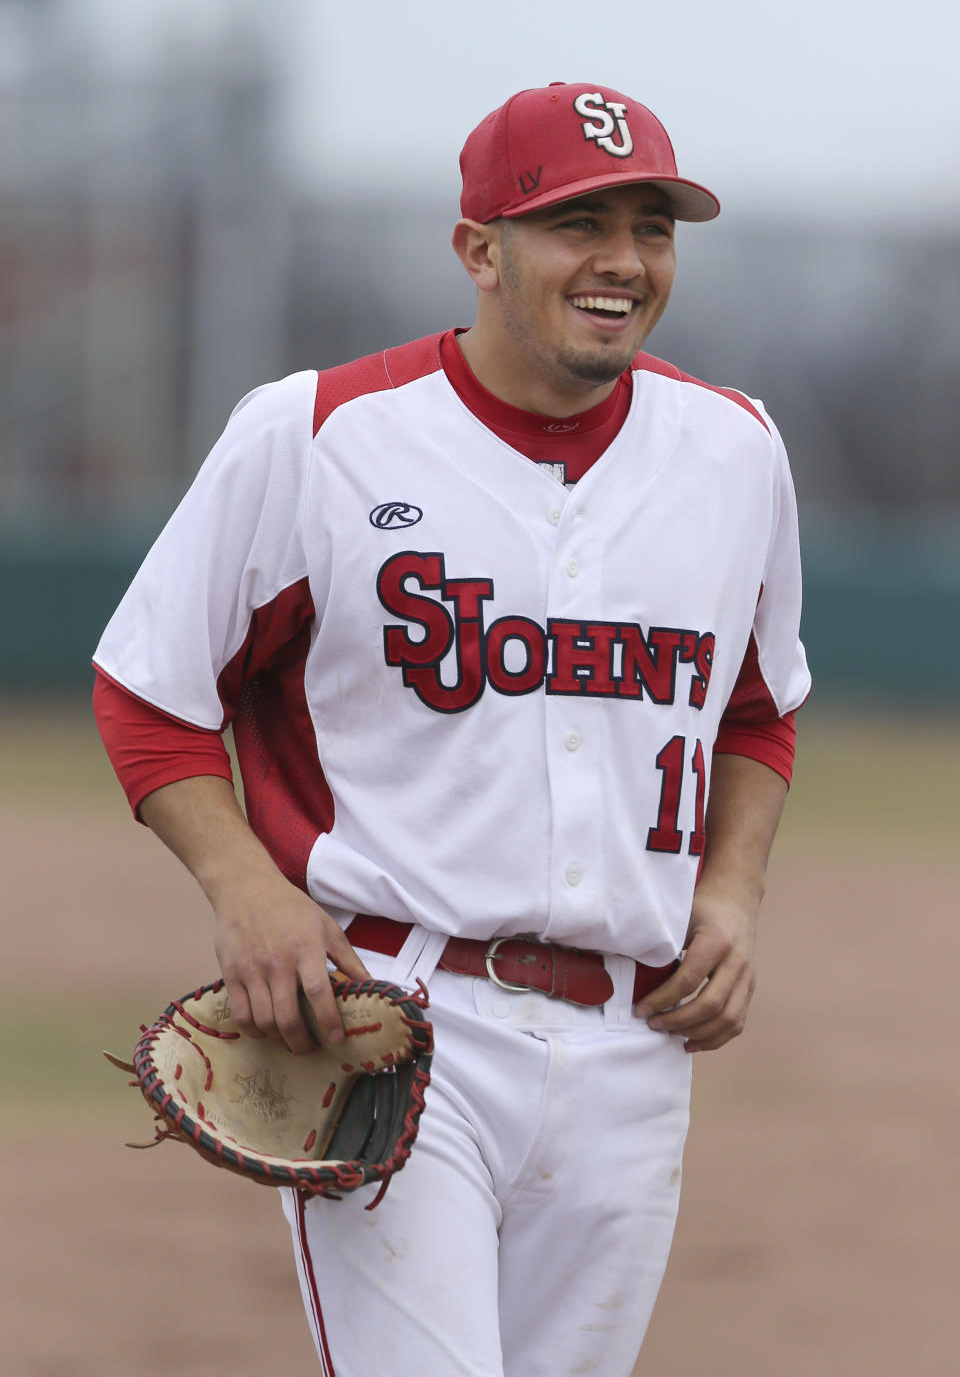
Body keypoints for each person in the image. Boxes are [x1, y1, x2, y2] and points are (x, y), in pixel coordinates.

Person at [93, 82, 810, 1377]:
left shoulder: (736, 452)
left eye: (652, 226)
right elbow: (147, 692)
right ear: (479, 248)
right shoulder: (319, 436)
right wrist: (245, 890)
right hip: (397, 1022)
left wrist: (738, 889)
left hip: (638, 1052)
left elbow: (759, 706)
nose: (623, 262)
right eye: (575, 224)